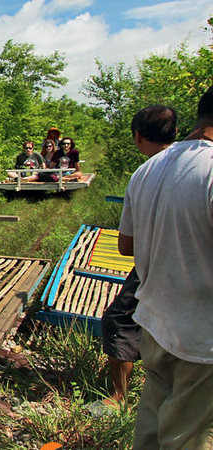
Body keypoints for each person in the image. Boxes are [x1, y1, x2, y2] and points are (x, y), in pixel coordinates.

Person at [118, 88, 213, 450]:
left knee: (153, 429)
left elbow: (126, 246)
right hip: (201, 339)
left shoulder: (147, 170)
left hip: (155, 323)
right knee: (188, 437)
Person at [87, 105, 177, 416]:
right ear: (175, 132)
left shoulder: (146, 173)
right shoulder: (200, 161)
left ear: (137, 137)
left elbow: (126, 246)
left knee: (120, 319)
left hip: (158, 266)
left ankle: (119, 396)